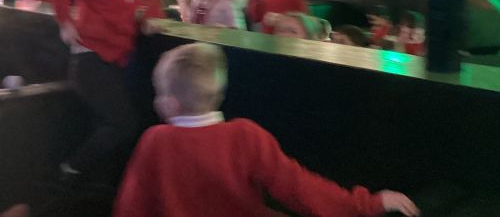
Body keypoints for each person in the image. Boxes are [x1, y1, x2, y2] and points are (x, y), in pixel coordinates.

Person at [114, 43, 419, 217]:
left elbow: (131, 206)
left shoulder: (155, 140)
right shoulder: (245, 136)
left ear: (169, 104)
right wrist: (370, 203)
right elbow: (300, 188)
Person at [52, 0, 165, 182]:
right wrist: (65, 23)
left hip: (115, 65)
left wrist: (149, 24)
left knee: (108, 121)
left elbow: (152, 19)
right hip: (88, 59)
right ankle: (71, 169)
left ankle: (87, 178)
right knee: (123, 123)